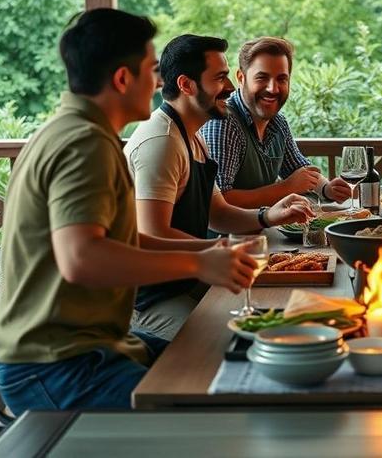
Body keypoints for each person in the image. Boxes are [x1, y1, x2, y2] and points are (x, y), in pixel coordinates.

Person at [0, 9, 260, 413]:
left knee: (225, 357)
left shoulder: (76, 131)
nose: (158, 83)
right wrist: (197, 266)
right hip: (57, 365)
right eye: (151, 70)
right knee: (207, 407)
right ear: (122, 78)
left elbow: (118, 240)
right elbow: (82, 259)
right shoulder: (85, 144)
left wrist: (204, 255)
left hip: (92, 347)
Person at [124, 34, 313, 340]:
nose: (229, 88)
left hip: (184, 281)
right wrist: (221, 250)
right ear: (187, 85)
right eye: (220, 78)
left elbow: (219, 213)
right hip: (146, 299)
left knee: (276, 314)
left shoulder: (193, 136)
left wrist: (268, 216)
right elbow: (152, 232)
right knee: (226, 341)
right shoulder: (161, 142)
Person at [201, 37, 351, 207]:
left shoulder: (277, 122)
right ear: (241, 78)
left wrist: (327, 189)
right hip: (226, 234)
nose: (273, 88)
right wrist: (286, 188)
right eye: (262, 78)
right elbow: (219, 200)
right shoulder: (223, 122)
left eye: (281, 79)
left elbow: (298, 167)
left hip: (264, 229)